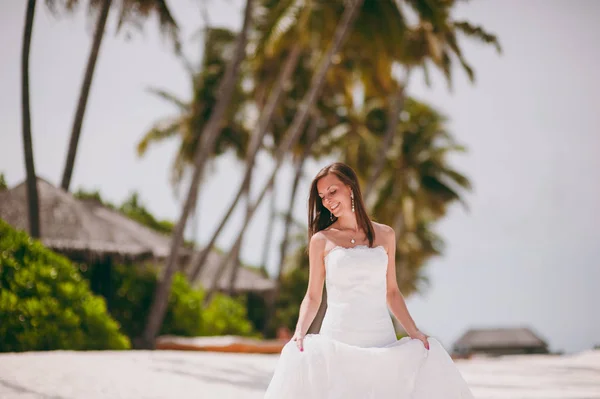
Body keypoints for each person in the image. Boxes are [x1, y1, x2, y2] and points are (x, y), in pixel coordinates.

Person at [264, 162, 474, 399]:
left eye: (333, 191)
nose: (328, 200)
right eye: (322, 196)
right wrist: (299, 332)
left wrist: (414, 331)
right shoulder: (321, 240)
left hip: (380, 336)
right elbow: (313, 296)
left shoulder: (385, 235)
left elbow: (392, 292)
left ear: (350, 188)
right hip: (338, 335)